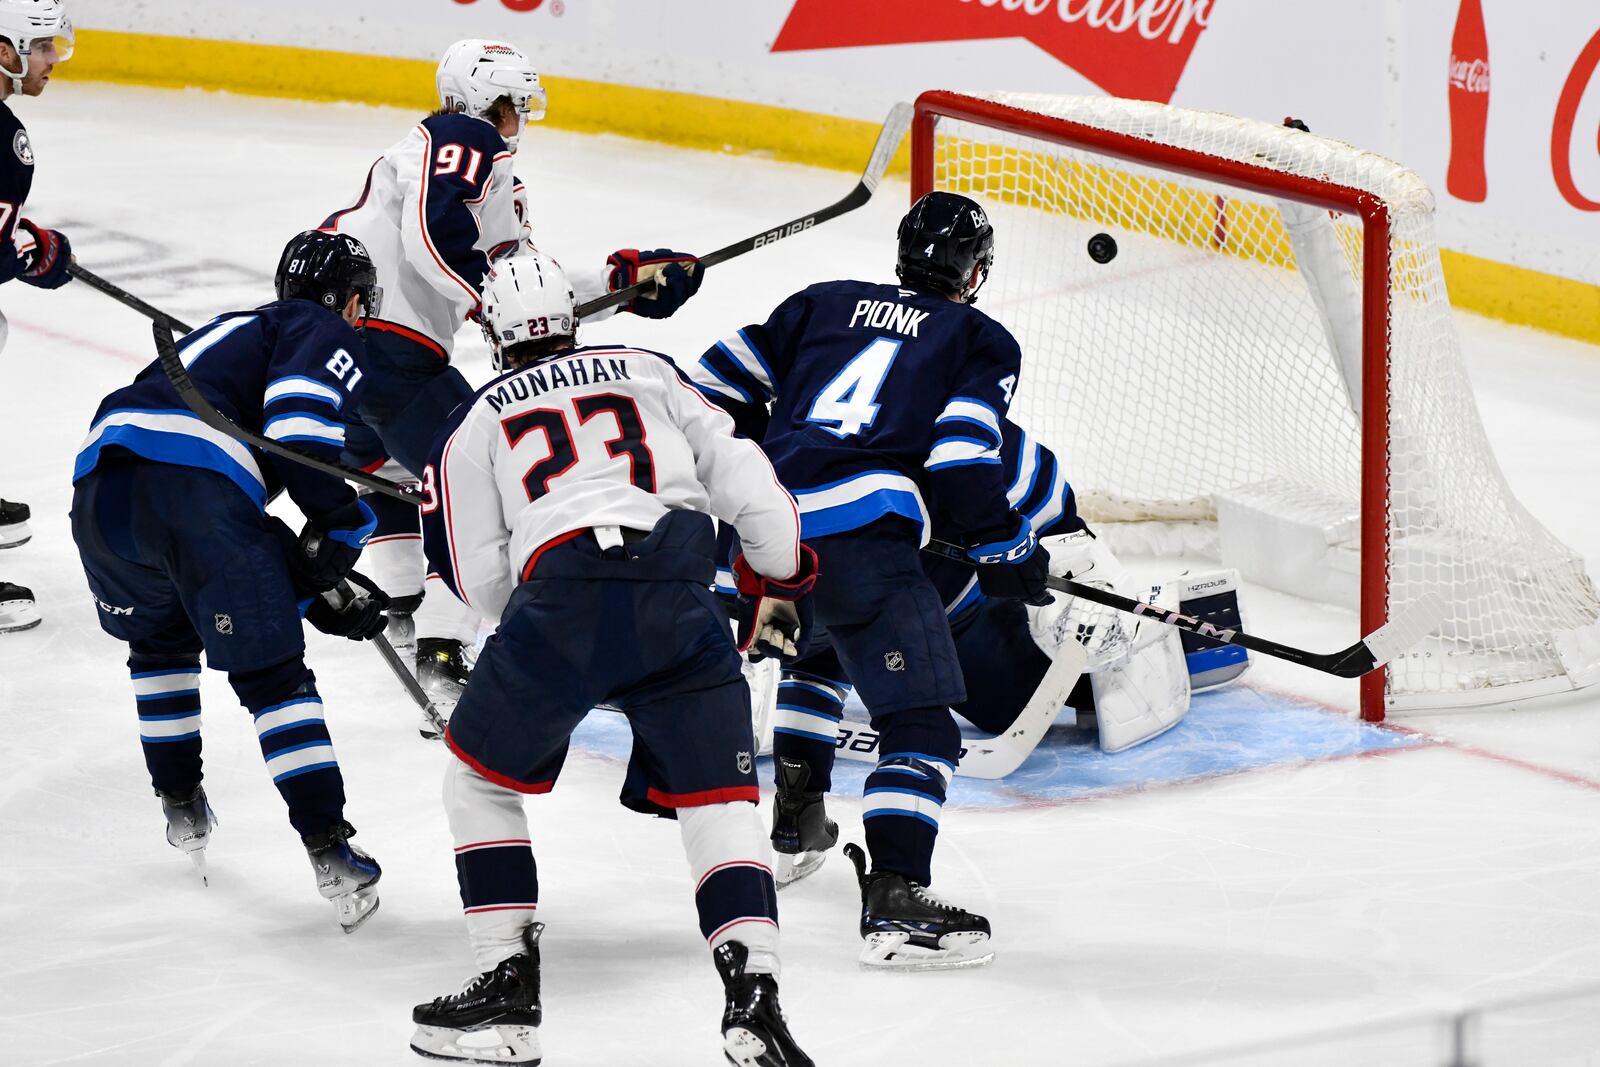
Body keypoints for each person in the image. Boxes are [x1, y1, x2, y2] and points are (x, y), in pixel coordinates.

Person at [409, 251, 813, 1067]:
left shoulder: (476, 418)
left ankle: (506, 983)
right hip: (680, 595)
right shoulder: (651, 369)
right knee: (720, 798)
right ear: (570, 318)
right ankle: (754, 993)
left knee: (479, 779)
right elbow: (753, 484)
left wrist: (542, 625)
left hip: (560, 600)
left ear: (493, 332)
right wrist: (777, 573)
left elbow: (471, 570)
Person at [685, 191, 1050, 970]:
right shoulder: (979, 336)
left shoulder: (821, 303)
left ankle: (796, 818)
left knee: (814, 654)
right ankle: (896, 897)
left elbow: (708, 391)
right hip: (864, 546)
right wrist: (1009, 544)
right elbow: (958, 458)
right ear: (975, 273)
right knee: (923, 724)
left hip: (763, 543)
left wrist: (771, 459)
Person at [317, 39, 703, 733]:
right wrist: (484, 304)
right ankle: (440, 654)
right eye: (510, 105)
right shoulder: (459, 135)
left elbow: (527, 282)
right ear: (482, 102)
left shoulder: (488, 181)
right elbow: (432, 239)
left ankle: (411, 605)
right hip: (388, 349)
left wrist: (626, 284)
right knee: (491, 476)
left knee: (410, 476)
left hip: (349, 354)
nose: (516, 119)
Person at [70, 230, 390, 932]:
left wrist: (317, 592)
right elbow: (299, 436)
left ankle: (181, 806)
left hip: (99, 488)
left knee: (159, 645)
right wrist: (343, 525)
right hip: (193, 489)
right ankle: (331, 849)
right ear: (350, 298)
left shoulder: (233, 329)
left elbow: (237, 537)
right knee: (275, 678)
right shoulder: (314, 323)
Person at [0, 0, 75, 634]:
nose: (53, 60)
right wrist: (28, 255)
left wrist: (20, 240)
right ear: (6, 50)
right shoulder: (5, 140)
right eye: (43, 47)